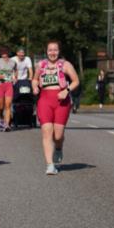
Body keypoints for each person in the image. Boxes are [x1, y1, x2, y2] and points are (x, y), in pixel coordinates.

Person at [32, 40, 79, 175]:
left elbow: (76, 81)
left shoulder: (65, 65)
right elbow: (35, 79)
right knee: (47, 132)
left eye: (55, 50)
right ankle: (50, 165)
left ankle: (58, 148)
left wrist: (66, 90)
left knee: (58, 136)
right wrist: (34, 86)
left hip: (62, 102)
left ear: (59, 51)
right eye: (50, 50)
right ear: (46, 51)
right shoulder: (40, 65)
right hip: (44, 100)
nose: (52, 53)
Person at [0, 45, 18, 131]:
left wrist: (15, 78)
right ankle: (1, 117)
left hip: (9, 84)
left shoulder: (13, 62)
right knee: (1, 106)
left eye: (5, 52)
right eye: (2, 52)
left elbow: (16, 70)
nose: (3, 53)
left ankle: (6, 125)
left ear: (8, 52)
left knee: (8, 105)